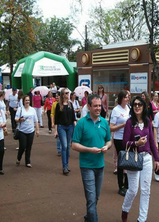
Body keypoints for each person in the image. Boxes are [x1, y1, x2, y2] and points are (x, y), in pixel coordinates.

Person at [72, 94, 112, 222]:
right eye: (95, 106)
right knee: (91, 198)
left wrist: (107, 146)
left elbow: (109, 141)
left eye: (99, 105)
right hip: (86, 166)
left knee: (95, 198)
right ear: (89, 107)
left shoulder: (104, 122)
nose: (98, 108)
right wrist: (90, 150)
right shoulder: (81, 123)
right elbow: (74, 145)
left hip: (100, 166)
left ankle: (89, 216)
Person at [121, 96, 159, 222]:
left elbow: (152, 142)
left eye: (140, 104)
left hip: (147, 158)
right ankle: (125, 209)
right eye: (135, 104)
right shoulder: (129, 122)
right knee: (133, 190)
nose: (137, 106)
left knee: (146, 190)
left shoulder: (148, 121)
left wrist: (157, 159)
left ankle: (142, 219)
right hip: (134, 158)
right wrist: (136, 144)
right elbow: (124, 143)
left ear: (144, 107)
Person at [110, 90, 130, 196]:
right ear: (121, 98)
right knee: (122, 162)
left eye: (128, 97)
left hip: (128, 139)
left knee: (128, 161)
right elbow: (111, 127)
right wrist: (122, 125)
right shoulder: (116, 110)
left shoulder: (129, 109)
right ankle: (121, 186)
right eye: (126, 97)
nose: (127, 98)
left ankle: (127, 184)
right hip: (119, 139)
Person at [55, 88, 76, 175]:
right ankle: (64, 166)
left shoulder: (70, 104)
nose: (68, 94)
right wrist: (55, 130)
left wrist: (76, 127)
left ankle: (66, 165)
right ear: (63, 94)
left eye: (69, 93)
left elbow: (73, 117)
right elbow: (56, 119)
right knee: (64, 146)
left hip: (70, 126)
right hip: (61, 127)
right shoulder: (58, 105)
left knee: (68, 146)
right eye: (67, 93)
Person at [15, 95, 39, 168]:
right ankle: (18, 158)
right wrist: (20, 119)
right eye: (26, 100)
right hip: (22, 130)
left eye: (28, 100)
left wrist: (37, 130)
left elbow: (36, 120)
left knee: (29, 147)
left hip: (31, 130)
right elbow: (16, 119)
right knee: (22, 146)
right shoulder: (20, 109)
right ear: (23, 101)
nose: (27, 102)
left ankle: (28, 161)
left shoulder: (32, 110)